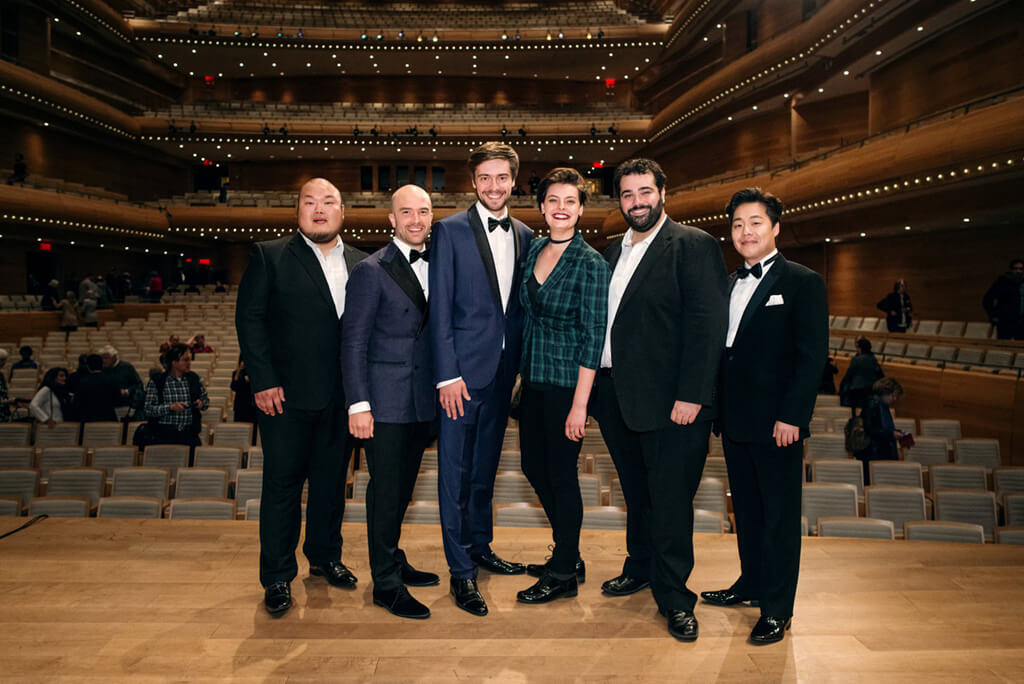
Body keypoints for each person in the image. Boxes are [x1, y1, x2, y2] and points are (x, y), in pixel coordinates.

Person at [590, 158, 729, 642]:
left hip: (674, 403)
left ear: (663, 193)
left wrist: (693, 395)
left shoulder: (693, 245)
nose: (637, 202)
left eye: (645, 192)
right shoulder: (611, 252)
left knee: (670, 502)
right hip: (617, 397)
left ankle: (674, 598)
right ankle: (641, 567)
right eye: (627, 195)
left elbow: (707, 325)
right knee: (637, 494)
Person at [701, 187, 828, 645]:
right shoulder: (728, 282)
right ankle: (751, 583)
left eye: (755, 222)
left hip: (779, 425)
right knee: (749, 511)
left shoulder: (802, 282)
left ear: (775, 226)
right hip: (736, 421)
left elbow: (811, 358)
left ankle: (777, 609)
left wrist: (793, 416)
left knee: (778, 518)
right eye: (737, 224)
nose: (745, 232)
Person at [236, 177, 366, 617]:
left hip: (342, 397)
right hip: (285, 398)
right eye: (310, 202)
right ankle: (277, 576)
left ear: (342, 212)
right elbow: (250, 320)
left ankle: (325, 557)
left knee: (331, 485)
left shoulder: (362, 262)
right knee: (282, 488)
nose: (319, 209)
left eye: (329, 202)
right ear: (298, 211)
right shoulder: (269, 255)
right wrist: (263, 379)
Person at [428, 141, 533, 617]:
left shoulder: (526, 233)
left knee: (485, 468)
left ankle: (480, 545)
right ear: (473, 182)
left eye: (502, 177)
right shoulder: (448, 230)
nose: (494, 186)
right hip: (461, 377)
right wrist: (446, 374)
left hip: (502, 375)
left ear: (513, 181)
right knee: (455, 474)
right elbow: (439, 308)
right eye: (485, 178)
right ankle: (461, 570)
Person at [342, 184, 440, 620]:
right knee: (385, 492)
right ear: (391, 219)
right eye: (406, 212)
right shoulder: (370, 270)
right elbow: (353, 342)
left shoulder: (440, 264)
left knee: (402, 489)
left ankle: (393, 557)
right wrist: (358, 404)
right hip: (382, 402)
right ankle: (385, 582)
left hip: (421, 401)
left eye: (423, 211)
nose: (416, 220)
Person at [516, 168, 609, 604]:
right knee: (533, 469)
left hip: (567, 386)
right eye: (553, 200)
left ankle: (563, 571)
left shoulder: (591, 263)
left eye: (570, 201)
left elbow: (594, 337)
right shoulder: (535, 248)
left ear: (581, 209)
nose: (561, 208)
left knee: (561, 475)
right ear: (541, 207)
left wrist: (580, 405)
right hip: (533, 381)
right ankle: (568, 554)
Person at [141, 344, 209, 445]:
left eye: (189, 360)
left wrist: (201, 403)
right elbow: (148, 410)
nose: (189, 363)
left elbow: (206, 401)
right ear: (174, 362)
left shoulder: (194, 378)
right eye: (185, 360)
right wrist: (170, 407)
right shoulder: (157, 381)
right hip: (164, 435)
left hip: (189, 434)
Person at [855, 377, 905, 485]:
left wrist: (894, 432)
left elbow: (880, 427)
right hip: (874, 453)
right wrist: (891, 433)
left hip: (877, 452)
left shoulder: (880, 404)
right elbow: (870, 429)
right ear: (885, 392)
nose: (894, 399)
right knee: (875, 484)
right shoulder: (874, 404)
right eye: (893, 395)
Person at [983, 258, 1024, 340]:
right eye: (1015, 269)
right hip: (1005, 322)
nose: (1018, 271)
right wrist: (993, 316)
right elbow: (987, 299)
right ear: (1011, 270)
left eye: (1021, 269)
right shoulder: (1002, 282)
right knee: (1004, 345)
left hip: (1022, 323)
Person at [839, 338, 883, 412]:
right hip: (870, 389)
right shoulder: (873, 359)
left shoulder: (856, 359)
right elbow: (880, 375)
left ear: (860, 348)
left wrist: (842, 386)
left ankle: (854, 418)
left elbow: (849, 375)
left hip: (857, 389)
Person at [73, 354, 120, 422]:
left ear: (88, 366)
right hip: (108, 418)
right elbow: (118, 400)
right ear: (102, 365)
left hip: (88, 419)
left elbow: (77, 403)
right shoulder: (111, 380)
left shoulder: (83, 382)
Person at [100, 345, 142, 411]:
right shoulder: (102, 369)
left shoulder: (127, 367)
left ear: (114, 357)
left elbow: (138, 385)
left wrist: (127, 391)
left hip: (124, 405)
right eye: (102, 358)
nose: (103, 361)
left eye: (106, 358)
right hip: (107, 406)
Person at [230, 357, 258, 424]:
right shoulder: (236, 373)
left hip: (251, 403)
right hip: (240, 403)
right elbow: (233, 387)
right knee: (239, 424)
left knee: (252, 425)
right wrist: (239, 370)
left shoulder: (254, 373)